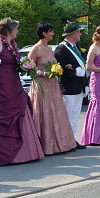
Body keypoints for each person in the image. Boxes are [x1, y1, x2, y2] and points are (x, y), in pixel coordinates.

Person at [0, 18, 44, 165]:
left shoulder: (13, 44)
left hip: (14, 84)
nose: (17, 31)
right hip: (0, 86)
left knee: (20, 110)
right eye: (16, 29)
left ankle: (25, 153)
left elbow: (16, 63)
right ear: (9, 30)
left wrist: (25, 67)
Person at [28, 22, 78, 155]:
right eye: (50, 31)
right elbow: (28, 66)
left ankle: (59, 144)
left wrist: (61, 68)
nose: (53, 33)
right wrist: (40, 73)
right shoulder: (36, 48)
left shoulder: (50, 49)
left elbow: (54, 65)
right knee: (44, 112)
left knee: (56, 113)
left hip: (52, 84)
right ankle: (45, 145)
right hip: (42, 85)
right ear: (44, 33)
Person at [54, 21, 88, 145]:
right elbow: (60, 68)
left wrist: (85, 84)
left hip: (78, 87)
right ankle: (65, 141)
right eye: (78, 32)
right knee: (67, 116)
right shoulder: (61, 48)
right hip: (68, 87)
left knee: (74, 116)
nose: (80, 34)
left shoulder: (76, 47)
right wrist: (74, 72)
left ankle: (73, 140)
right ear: (72, 34)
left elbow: (81, 67)